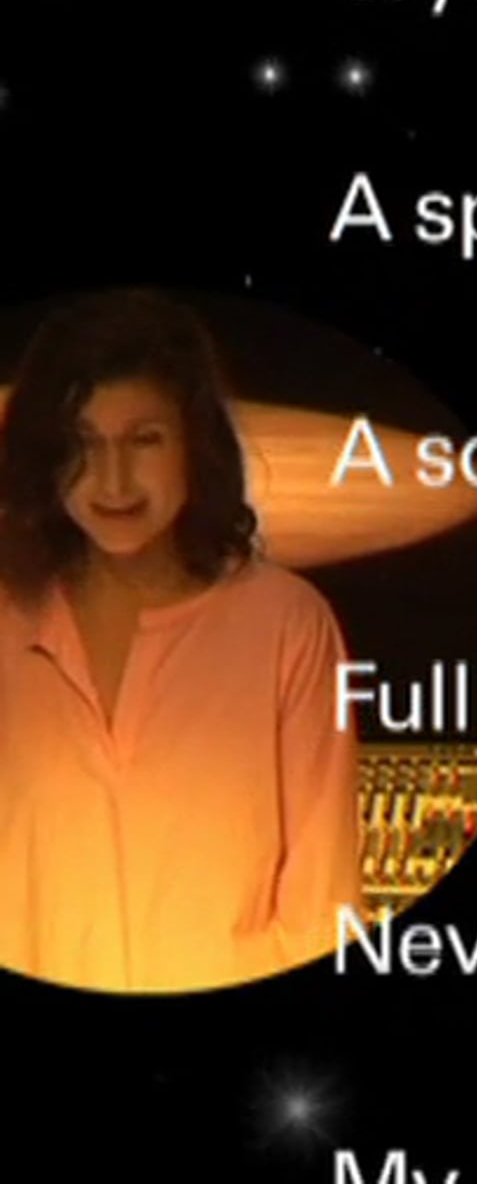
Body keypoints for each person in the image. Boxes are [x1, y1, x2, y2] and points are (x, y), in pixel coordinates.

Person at [0, 288, 363, 993]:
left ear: (195, 446)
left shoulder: (289, 624)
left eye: (145, 439)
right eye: (83, 444)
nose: (113, 481)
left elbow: (321, 912)